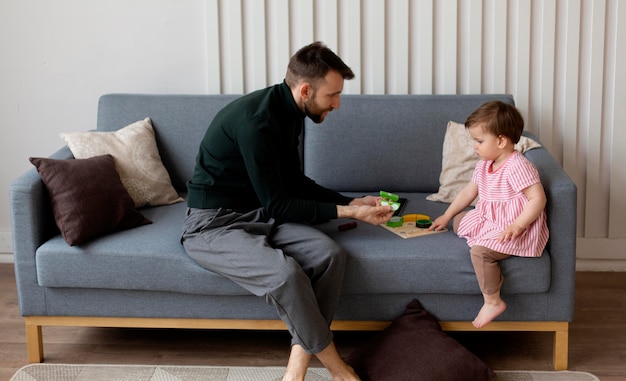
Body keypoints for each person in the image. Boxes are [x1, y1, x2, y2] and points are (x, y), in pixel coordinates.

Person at [181, 41, 394, 381]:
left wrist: (352, 202)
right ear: (306, 89)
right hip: (214, 224)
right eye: (332, 95)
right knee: (286, 275)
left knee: (329, 255)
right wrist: (349, 214)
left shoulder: (291, 113)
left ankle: (297, 365)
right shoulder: (257, 121)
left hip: (260, 215)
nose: (337, 104)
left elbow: (292, 183)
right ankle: (338, 369)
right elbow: (280, 203)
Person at [431, 101, 549, 329]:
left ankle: (492, 300)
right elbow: (468, 191)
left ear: (501, 141)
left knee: (479, 252)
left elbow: (538, 199)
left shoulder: (518, 166)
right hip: (490, 219)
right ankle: (468, 226)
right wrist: (447, 216)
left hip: (514, 227)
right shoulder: (485, 164)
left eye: (479, 141)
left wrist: (518, 225)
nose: (474, 146)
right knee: (459, 220)